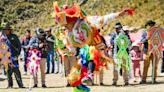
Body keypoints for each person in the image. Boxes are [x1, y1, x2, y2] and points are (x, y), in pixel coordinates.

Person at [3, 23, 24, 88]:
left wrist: (18, 54)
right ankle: (10, 85)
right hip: (6, 56)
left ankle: (20, 85)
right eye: (5, 30)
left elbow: (19, 45)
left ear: (9, 30)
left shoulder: (14, 36)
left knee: (16, 70)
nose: (5, 31)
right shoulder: (3, 38)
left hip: (14, 56)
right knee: (8, 71)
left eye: (7, 30)